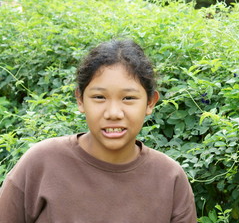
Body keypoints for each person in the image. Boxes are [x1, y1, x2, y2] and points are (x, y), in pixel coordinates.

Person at [0, 39, 197, 223]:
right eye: (99, 97)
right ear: (80, 100)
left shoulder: (170, 178)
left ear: (150, 102)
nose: (113, 113)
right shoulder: (41, 163)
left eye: (128, 98)